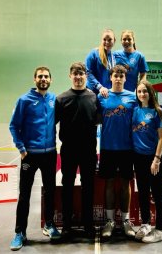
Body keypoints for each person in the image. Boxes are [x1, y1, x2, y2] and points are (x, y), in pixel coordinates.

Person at [8, 66, 61, 251]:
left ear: (51, 80)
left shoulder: (55, 100)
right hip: (30, 155)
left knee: (50, 191)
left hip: (50, 154)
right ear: (34, 79)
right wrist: (22, 149)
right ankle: (19, 232)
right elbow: (13, 126)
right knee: (24, 195)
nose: (43, 79)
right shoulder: (24, 100)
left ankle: (49, 225)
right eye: (40, 76)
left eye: (46, 76)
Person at [55, 62, 100, 240]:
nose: (78, 76)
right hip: (69, 150)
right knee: (67, 186)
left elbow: (97, 121)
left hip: (89, 150)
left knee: (88, 186)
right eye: (75, 73)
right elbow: (51, 124)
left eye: (81, 73)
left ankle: (88, 224)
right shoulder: (61, 99)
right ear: (70, 76)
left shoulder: (94, 97)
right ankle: (67, 225)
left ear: (85, 76)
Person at [98, 65, 137, 238]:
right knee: (109, 183)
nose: (119, 78)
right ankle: (109, 221)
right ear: (111, 77)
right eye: (116, 75)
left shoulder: (132, 97)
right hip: (107, 148)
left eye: (122, 76)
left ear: (125, 78)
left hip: (127, 148)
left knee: (125, 183)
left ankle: (126, 221)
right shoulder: (102, 96)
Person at [132, 80, 162, 243]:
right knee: (143, 192)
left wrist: (156, 159)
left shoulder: (158, 112)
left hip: (154, 158)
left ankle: (160, 230)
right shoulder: (135, 110)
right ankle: (145, 223)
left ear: (150, 93)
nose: (141, 94)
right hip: (138, 158)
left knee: (158, 194)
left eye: (144, 91)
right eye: (139, 91)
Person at [85, 28, 116, 97]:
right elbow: (88, 73)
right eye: (104, 39)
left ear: (114, 41)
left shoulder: (113, 57)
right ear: (101, 40)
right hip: (93, 93)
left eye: (110, 39)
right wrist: (100, 87)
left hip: (106, 94)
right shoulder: (94, 54)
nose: (107, 42)